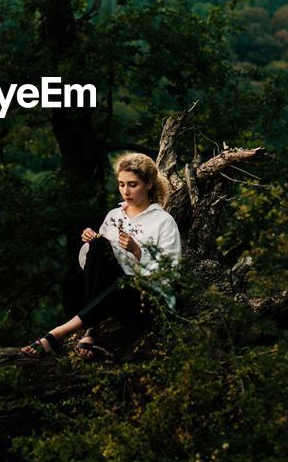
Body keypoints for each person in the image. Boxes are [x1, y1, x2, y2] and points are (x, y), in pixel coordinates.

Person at [22, 152, 181, 360]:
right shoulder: (114, 216)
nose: (126, 191)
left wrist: (137, 250)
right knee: (98, 245)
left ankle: (60, 333)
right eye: (121, 184)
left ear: (149, 184)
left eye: (133, 184)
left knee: (127, 282)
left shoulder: (163, 221)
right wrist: (91, 242)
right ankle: (92, 329)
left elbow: (171, 274)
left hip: (146, 299)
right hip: (112, 294)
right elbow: (91, 266)